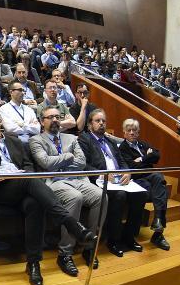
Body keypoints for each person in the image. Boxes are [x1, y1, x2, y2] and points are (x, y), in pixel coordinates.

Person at [0, 111, 97, 285]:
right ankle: (70, 222)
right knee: (30, 180)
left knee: (35, 203)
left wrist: (24, 174)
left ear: (0, 120)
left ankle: (33, 263)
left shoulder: (13, 139)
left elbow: (28, 165)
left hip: (23, 185)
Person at [29, 107, 106, 276]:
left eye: (58, 116)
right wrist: (68, 156)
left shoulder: (71, 137)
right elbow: (46, 163)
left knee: (101, 195)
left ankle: (89, 246)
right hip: (55, 182)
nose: (55, 120)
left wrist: (59, 162)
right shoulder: (36, 140)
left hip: (78, 179)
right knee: (75, 197)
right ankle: (65, 254)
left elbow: (82, 162)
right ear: (43, 121)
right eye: (51, 117)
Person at [78, 109, 148, 257]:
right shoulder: (84, 139)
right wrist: (102, 174)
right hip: (100, 180)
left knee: (141, 194)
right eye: (98, 121)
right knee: (120, 196)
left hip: (118, 179)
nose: (102, 123)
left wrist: (127, 172)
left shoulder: (109, 141)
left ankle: (129, 237)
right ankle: (113, 240)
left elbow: (122, 161)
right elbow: (84, 164)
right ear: (90, 124)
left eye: (103, 121)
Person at [118, 119, 171, 250]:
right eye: (129, 130)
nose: (132, 133)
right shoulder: (122, 148)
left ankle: (158, 223)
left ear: (138, 132)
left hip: (149, 176)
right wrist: (147, 158)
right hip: (136, 178)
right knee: (160, 188)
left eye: (134, 130)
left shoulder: (142, 144)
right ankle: (158, 231)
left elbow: (157, 155)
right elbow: (131, 166)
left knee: (158, 179)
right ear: (124, 133)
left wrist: (141, 158)